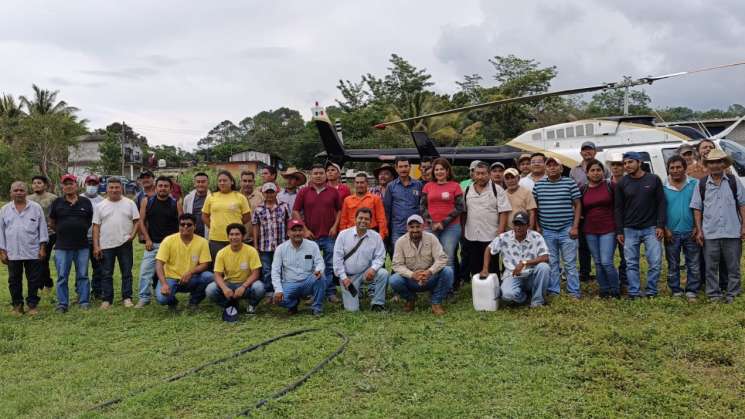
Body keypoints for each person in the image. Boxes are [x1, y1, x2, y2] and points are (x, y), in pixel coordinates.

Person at [691, 149, 745, 304]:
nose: (715, 165)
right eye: (711, 162)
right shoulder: (701, 184)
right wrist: (699, 230)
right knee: (711, 267)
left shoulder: (734, 182)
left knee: (733, 266)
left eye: (718, 162)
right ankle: (714, 295)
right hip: (710, 233)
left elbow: (742, 205)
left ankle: (733, 294)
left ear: (723, 164)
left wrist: (743, 226)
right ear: (707, 165)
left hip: (732, 231)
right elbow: (697, 208)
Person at [614, 151, 666, 299]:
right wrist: (619, 230)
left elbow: (661, 203)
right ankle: (634, 292)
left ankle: (651, 291)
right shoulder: (622, 183)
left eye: (630, 162)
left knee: (655, 262)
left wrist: (660, 225)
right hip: (629, 229)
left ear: (639, 162)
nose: (627, 166)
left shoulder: (654, 179)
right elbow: (618, 208)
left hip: (651, 228)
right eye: (625, 163)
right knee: (631, 263)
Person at [533, 157, 582, 298]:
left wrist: (575, 226)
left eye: (556, 165)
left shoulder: (569, 183)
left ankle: (574, 291)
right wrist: (537, 226)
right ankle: (554, 291)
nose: (552, 168)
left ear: (561, 168)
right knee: (552, 262)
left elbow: (578, 204)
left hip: (567, 229)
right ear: (545, 169)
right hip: (547, 230)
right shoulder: (538, 185)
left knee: (570, 263)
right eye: (549, 165)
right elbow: (534, 208)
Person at [293, 163, 341, 302]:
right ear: (311, 175)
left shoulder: (333, 191)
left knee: (329, 264)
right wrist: (305, 229)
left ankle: (330, 292)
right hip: (310, 236)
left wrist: (335, 226)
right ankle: (312, 292)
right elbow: (295, 211)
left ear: (325, 175)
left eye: (321, 173)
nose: (318, 176)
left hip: (329, 235)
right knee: (310, 265)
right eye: (315, 173)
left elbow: (339, 210)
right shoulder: (304, 192)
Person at [480, 211, 550, 308]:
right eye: (516, 224)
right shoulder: (504, 237)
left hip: (532, 275)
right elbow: (488, 249)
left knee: (544, 267)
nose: (518, 227)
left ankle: (537, 301)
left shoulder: (536, 237)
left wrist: (525, 263)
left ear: (528, 226)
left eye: (522, 224)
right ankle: (525, 298)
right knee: (507, 295)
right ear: (513, 225)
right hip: (512, 275)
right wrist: (485, 269)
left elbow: (545, 257)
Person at [0, 181, 48, 315]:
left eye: (21, 190)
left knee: (34, 279)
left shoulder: (36, 208)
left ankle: (32, 306)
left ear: (26, 192)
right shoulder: (5, 210)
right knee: (14, 280)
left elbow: (42, 229)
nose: (19, 193)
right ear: (11, 193)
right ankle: (17, 305)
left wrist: (42, 247)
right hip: (12, 252)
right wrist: (2, 252)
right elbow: (1, 232)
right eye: (15, 190)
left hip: (33, 251)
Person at [92, 177, 140, 309]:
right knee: (106, 273)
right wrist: (96, 246)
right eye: (111, 187)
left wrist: (133, 235)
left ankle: (127, 298)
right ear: (107, 189)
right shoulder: (100, 206)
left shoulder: (130, 203)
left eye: (117, 187)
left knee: (126, 272)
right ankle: (107, 299)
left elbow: (137, 221)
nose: (114, 190)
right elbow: (96, 226)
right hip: (106, 244)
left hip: (125, 243)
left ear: (121, 188)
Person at [390, 215, 453, 315]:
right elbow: (396, 265)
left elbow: (442, 258)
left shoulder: (431, 238)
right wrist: (412, 275)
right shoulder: (400, 242)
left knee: (448, 271)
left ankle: (436, 302)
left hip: (430, 278)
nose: (415, 230)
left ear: (422, 227)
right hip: (411, 280)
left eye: (417, 226)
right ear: (407, 228)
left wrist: (429, 272)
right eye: (412, 227)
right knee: (394, 280)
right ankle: (411, 299)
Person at [49, 174, 94, 312]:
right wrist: (64, 231)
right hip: (62, 246)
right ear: (62, 187)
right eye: (66, 184)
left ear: (77, 185)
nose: (69, 186)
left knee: (83, 275)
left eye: (71, 183)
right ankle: (62, 304)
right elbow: (52, 223)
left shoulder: (86, 202)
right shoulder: (57, 202)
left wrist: (77, 228)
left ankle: (84, 301)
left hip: (82, 246)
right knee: (62, 276)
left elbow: (88, 221)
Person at [135, 176, 182, 308]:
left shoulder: (176, 204)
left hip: (170, 246)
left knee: (170, 273)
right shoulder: (147, 201)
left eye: (166, 186)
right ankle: (144, 298)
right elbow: (141, 221)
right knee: (145, 272)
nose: (163, 188)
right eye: (160, 186)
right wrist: (147, 239)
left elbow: (182, 224)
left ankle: (168, 296)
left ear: (170, 189)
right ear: (156, 187)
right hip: (153, 244)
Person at [462, 161, 511, 280]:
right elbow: (464, 212)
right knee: (475, 266)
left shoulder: (497, 189)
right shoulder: (467, 190)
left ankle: (494, 291)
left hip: (491, 235)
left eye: (483, 173)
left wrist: (500, 231)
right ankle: (478, 290)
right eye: (477, 173)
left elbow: (504, 211)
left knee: (492, 267)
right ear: (473, 174)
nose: (480, 176)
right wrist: (463, 230)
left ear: (489, 174)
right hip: (472, 234)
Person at [154, 213, 214, 311]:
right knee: (162, 299)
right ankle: (173, 302)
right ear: (179, 226)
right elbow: (159, 263)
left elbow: (205, 264)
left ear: (194, 226)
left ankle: (193, 302)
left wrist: (190, 272)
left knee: (209, 277)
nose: (185, 226)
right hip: (171, 278)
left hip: (191, 278)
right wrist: (164, 283)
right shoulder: (168, 241)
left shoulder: (202, 242)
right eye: (182, 224)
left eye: (189, 224)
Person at [333, 208, 388, 312]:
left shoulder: (376, 237)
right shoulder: (343, 235)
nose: (363, 221)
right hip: (349, 278)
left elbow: (380, 256)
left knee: (383, 273)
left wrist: (373, 269)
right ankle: (352, 298)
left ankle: (377, 304)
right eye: (360, 218)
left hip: (366, 273)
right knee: (352, 310)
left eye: (366, 219)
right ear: (355, 219)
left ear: (371, 222)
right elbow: (337, 260)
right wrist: (344, 278)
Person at [271, 219, 329, 316]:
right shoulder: (280, 249)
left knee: (321, 278)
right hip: (290, 283)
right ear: (288, 233)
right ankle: (293, 304)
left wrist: (319, 270)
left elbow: (320, 262)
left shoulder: (312, 245)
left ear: (304, 231)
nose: (297, 233)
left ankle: (317, 308)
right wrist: (278, 290)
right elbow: (275, 271)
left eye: (300, 230)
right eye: (294, 230)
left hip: (307, 281)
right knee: (278, 300)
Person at [663, 156, 701, 301]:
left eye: (678, 167)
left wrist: (697, 227)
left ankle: (692, 290)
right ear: (668, 169)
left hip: (691, 231)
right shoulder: (663, 186)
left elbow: (699, 207)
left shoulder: (694, 184)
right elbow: (659, 210)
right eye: (672, 168)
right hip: (671, 232)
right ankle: (676, 291)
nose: (675, 170)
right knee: (673, 264)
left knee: (693, 263)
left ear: (684, 168)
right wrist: (665, 228)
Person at [206, 223, 265, 314]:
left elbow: (256, 273)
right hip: (229, 283)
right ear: (228, 236)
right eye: (231, 234)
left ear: (243, 236)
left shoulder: (251, 251)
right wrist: (224, 288)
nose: (234, 237)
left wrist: (243, 286)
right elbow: (217, 275)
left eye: (237, 234)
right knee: (210, 290)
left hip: (247, 284)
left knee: (259, 287)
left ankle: (251, 305)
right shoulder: (222, 253)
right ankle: (229, 305)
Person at [581, 160, 619, 298]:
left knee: (606, 262)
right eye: (592, 170)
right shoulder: (583, 188)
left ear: (603, 172)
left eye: (598, 170)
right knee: (597, 262)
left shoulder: (610, 186)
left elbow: (619, 207)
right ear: (587, 173)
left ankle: (615, 290)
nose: (596, 173)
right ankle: (604, 290)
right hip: (590, 230)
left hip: (609, 228)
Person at [570, 141, 606, 283]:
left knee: (600, 243)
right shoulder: (574, 170)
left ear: (595, 152)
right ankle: (584, 273)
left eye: (590, 150)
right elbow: (572, 191)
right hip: (581, 209)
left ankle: (601, 270)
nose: (587, 152)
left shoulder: (602, 167)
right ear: (581, 153)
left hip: (598, 210)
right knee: (583, 244)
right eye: (584, 150)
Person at [421, 158, 464, 270]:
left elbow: (460, 207)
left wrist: (443, 223)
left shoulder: (455, 186)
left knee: (447, 257)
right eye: (436, 169)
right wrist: (432, 223)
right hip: (430, 227)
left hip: (451, 227)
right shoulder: (427, 186)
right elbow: (422, 206)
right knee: (430, 257)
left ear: (447, 171)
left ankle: (447, 286)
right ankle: (433, 284)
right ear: (433, 172)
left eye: (442, 169)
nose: (439, 172)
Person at [251, 182, 291, 294]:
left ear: (276, 192)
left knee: (282, 268)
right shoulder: (258, 209)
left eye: (271, 192)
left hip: (281, 244)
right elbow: (255, 226)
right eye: (267, 192)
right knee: (267, 270)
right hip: (265, 246)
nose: (269, 195)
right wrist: (255, 244)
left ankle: (282, 291)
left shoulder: (284, 206)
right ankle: (269, 292)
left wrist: (290, 241)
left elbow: (289, 223)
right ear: (263, 193)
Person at [202, 170, 251, 262]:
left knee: (235, 265)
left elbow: (247, 216)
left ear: (231, 181)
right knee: (218, 266)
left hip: (235, 238)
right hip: (216, 239)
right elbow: (204, 216)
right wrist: (213, 226)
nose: (222, 183)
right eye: (220, 181)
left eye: (225, 180)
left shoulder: (240, 197)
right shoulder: (211, 197)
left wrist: (237, 226)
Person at [27, 175, 57, 296]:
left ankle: (47, 283)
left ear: (45, 185)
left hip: (50, 233)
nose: (36, 185)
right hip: (33, 234)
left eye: (39, 183)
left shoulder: (52, 198)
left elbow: (57, 215)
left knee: (43, 259)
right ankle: (41, 283)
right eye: (34, 183)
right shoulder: (28, 198)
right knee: (35, 260)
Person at [383, 158, 423, 246]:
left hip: (415, 227)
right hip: (397, 228)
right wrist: (387, 227)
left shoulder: (418, 185)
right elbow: (387, 208)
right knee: (398, 255)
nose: (403, 169)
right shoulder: (391, 186)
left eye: (406, 166)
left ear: (410, 167)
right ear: (396, 168)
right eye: (400, 167)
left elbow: (422, 206)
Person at [339, 173, 387, 239]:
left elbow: (381, 219)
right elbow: (343, 220)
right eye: (357, 183)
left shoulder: (375, 199)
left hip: (371, 232)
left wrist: (381, 235)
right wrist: (343, 235)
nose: (359, 185)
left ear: (367, 184)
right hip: (351, 233)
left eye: (362, 182)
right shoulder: (347, 200)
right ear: (354, 184)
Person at [606, 152, 627, 292]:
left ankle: (625, 280)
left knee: (626, 255)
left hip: (626, 224)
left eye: (619, 165)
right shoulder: (606, 183)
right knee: (607, 257)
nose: (616, 168)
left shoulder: (629, 182)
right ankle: (610, 281)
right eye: (614, 165)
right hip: (608, 224)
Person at [82, 175, 105, 300]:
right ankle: (82, 292)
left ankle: (98, 291)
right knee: (82, 268)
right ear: (85, 184)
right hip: (82, 239)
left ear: (98, 185)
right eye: (89, 183)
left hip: (98, 240)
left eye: (94, 183)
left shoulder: (102, 201)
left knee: (98, 267)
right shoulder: (79, 198)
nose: (91, 186)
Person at [183, 172, 211, 238]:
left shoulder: (213, 198)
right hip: (192, 234)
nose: (200, 184)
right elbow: (185, 215)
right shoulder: (188, 198)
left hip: (208, 234)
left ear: (208, 183)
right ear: (194, 184)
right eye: (198, 182)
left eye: (203, 182)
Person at [134, 170, 156, 243]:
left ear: (153, 178)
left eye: (148, 177)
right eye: (143, 178)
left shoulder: (161, 192)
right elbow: (137, 217)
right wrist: (140, 233)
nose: (145, 180)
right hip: (146, 231)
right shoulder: (138, 197)